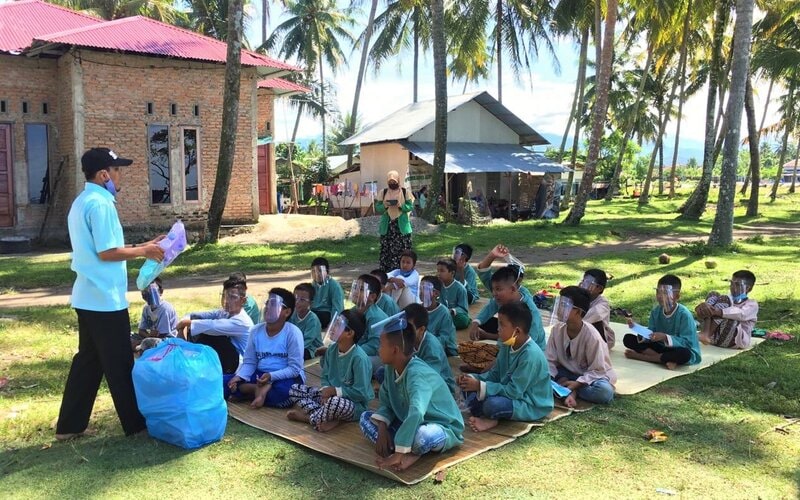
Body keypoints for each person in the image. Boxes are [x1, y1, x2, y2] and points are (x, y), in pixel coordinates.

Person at [56, 147, 165, 441]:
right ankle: (136, 426)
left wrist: (146, 244)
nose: (120, 175)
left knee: (89, 361)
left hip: (88, 296)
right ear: (104, 174)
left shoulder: (82, 202)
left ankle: (69, 425)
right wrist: (144, 250)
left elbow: (107, 247)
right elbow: (107, 252)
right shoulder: (101, 205)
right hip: (104, 300)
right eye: (117, 170)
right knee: (119, 363)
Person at [359, 320, 464, 472]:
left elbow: (416, 412)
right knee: (365, 418)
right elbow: (386, 402)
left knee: (422, 437)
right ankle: (403, 445)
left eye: (381, 345)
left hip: (441, 426)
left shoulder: (417, 374)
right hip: (407, 422)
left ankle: (407, 451)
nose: (378, 349)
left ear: (395, 350)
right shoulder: (390, 368)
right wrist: (382, 428)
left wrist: (398, 454)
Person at [457, 302, 553, 432]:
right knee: (468, 383)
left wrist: (480, 386)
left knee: (492, 405)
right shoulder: (507, 345)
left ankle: (490, 417)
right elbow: (494, 375)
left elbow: (514, 392)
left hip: (528, 402)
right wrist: (473, 380)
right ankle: (488, 412)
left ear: (517, 331)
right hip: (505, 392)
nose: (498, 329)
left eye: (501, 325)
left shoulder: (530, 356)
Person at [287, 310, 373, 432]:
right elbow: (325, 376)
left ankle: (309, 418)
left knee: (335, 402)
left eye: (338, 324)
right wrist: (325, 390)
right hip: (329, 398)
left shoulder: (359, 358)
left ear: (350, 333)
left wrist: (334, 391)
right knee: (294, 389)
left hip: (353, 405)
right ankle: (328, 416)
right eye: (335, 322)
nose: (332, 327)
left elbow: (361, 393)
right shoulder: (332, 350)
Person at [227, 288, 304, 408]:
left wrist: (271, 377)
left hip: (286, 377)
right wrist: (239, 377)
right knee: (226, 383)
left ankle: (251, 391)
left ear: (287, 312)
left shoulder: (293, 333)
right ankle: (257, 390)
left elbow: (294, 369)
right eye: (267, 303)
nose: (268, 307)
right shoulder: (256, 331)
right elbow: (250, 362)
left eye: (273, 304)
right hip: (260, 375)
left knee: (286, 392)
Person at [547, 287, 616, 407]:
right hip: (565, 372)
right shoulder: (557, 329)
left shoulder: (592, 336)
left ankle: (568, 390)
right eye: (560, 304)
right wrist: (546, 377)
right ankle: (565, 386)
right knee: (540, 378)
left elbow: (598, 369)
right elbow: (550, 360)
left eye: (565, 305)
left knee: (604, 392)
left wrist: (578, 383)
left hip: (590, 377)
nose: (559, 309)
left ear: (578, 312)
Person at [177, 277, 254, 375]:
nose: (227, 301)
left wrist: (185, 324)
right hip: (227, 358)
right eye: (225, 296)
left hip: (239, 365)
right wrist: (184, 324)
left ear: (243, 301)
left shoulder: (241, 321)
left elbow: (211, 326)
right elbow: (194, 315)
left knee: (210, 332)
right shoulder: (225, 313)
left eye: (232, 297)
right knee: (199, 322)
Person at [623, 274, 701, 369]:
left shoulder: (684, 314)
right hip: (661, 348)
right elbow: (651, 334)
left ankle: (644, 357)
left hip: (679, 349)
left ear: (677, 296)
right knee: (628, 339)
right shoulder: (656, 311)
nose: (660, 296)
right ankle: (665, 360)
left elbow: (688, 343)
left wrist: (665, 337)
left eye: (665, 293)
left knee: (685, 354)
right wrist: (637, 328)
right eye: (658, 292)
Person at [468, 266, 545, 350]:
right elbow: (490, 307)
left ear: (512, 289)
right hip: (507, 344)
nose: (494, 293)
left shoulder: (530, 312)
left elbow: (529, 344)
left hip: (528, 351)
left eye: (498, 289)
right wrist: (476, 323)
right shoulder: (502, 299)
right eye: (493, 289)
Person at [695, 270, 758, 349]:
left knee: (727, 309)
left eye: (738, 285)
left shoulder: (752, 304)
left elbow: (741, 314)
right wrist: (703, 307)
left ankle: (707, 334)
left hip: (733, 340)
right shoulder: (728, 299)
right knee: (713, 294)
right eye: (731, 283)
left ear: (748, 288)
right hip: (715, 337)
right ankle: (706, 333)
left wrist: (717, 312)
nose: (732, 287)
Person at [403, 304, 456, 394]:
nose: (403, 331)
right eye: (402, 326)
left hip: (440, 387)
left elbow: (429, 379)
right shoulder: (407, 339)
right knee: (383, 372)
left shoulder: (431, 347)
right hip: (416, 379)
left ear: (421, 330)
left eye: (408, 328)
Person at [376, 170, 414, 272]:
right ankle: (387, 273)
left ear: (398, 180)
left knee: (403, 250)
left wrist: (401, 206)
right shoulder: (383, 193)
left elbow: (410, 206)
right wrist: (385, 205)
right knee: (386, 250)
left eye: (394, 181)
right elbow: (378, 207)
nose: (392, 184)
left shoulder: (405, 192)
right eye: (390, 182)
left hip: (401, 226)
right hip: (387, 227)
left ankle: (404, 270)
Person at [130, 277, 178, 350]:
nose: (147, 294)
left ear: (161, 291)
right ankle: (140, 346)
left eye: (152, 291)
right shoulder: (146, 308)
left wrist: (143, 340)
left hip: (167, 340)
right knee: (129, 336)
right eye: (144, 291)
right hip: (150, 337)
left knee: (147, 344)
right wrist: (148, 336)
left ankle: (140, 346)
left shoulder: (165, 309)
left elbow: (162, 334)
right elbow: (141, 330)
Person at [420, 276, 459, 356]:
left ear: (436, 293)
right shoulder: (419, 309)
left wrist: (425, 342)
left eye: (425, 289)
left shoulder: (444, 312)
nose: (421, 292)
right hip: (423, 345)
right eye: (420, 288)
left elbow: (444, 338)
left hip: (444, 349)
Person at [578, 269, 615, 349]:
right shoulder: (581, 298)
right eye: (583, 282)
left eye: (588, 283)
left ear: (600, 289)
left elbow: (592, 316)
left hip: (600, 339)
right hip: (581, 334)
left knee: (594, 324)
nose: (583, 285)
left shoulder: (603, 304)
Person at [289, 283, 323, 360]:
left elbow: (307, 342)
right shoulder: (292, 314)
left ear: (310, 303)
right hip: (295, 346)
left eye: (302, 300)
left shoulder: (312, 319)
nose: (297, 302)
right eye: (295, 298)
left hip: (312, 349)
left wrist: (291, 349)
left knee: (296, 355)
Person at [310, 257, 345, 328]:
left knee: (315, 318)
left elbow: (337, 307)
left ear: (327, 271)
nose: (317, 274)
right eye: (314, 271)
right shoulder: (312, 285)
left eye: (320, 271)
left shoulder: (334, 285)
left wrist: (333, 323)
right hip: (313, 312)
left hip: (326, 314)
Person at [436, 258, 471, 330]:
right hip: (442, 314)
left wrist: (453, 311)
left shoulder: (460, 288)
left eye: (442, 271)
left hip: (456, 316)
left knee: (463, 320)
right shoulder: (439, 286)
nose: (439, 273)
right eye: (438, 271)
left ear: (452, 273)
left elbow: (464, 308)